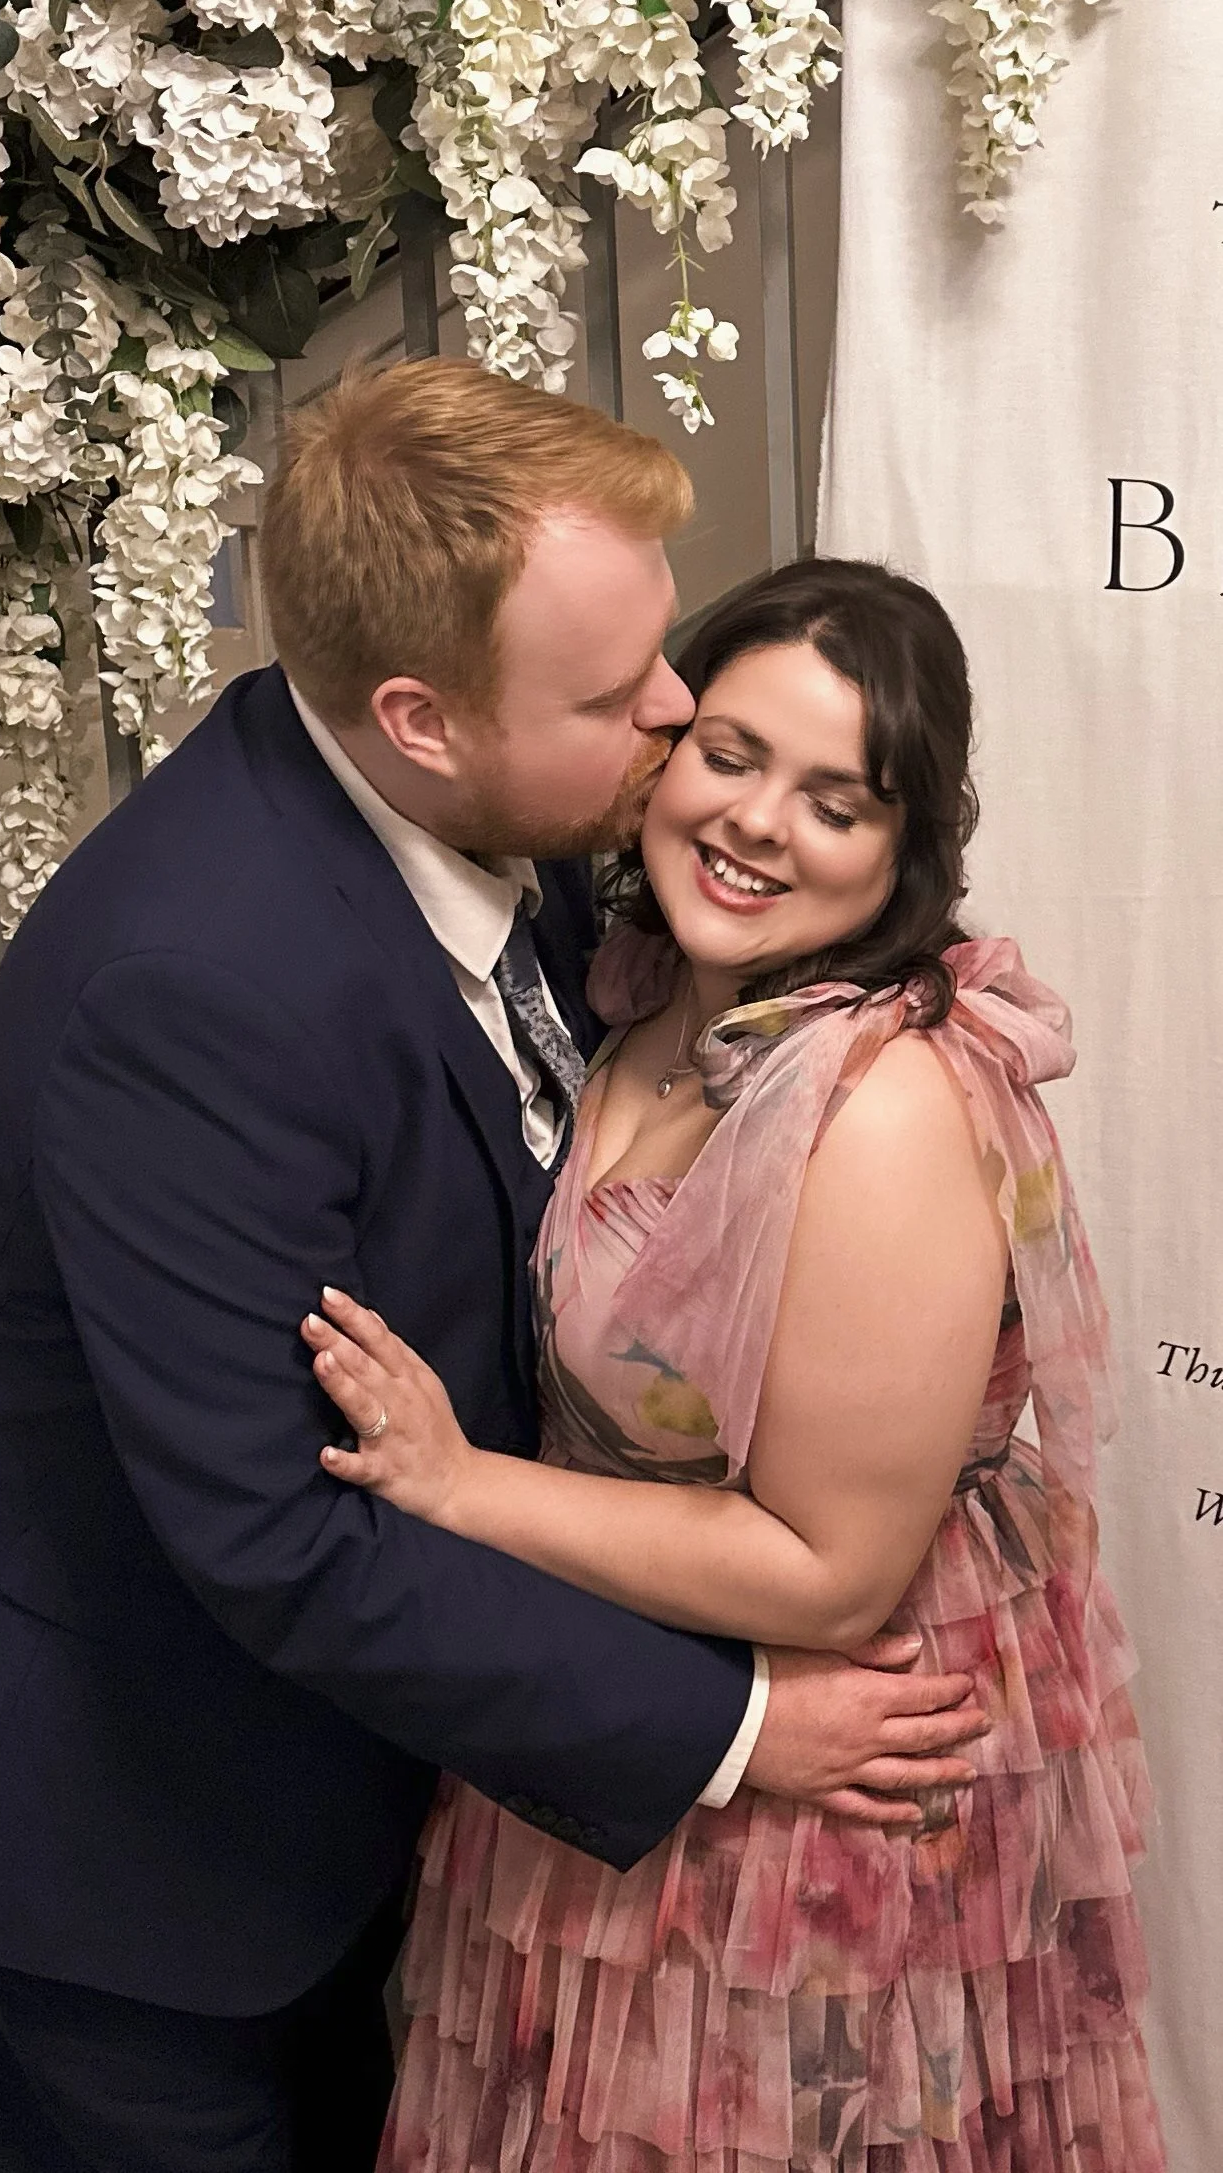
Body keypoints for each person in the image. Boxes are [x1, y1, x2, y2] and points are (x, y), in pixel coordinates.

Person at [0, 368, 986, 2173]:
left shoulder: (490, 827)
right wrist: (742, 1721)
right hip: (115, 1821)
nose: (675, 716)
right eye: (618, 699)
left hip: (358, 1778)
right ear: (419, 718)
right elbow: (277, 1534)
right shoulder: (202, 985)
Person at [305, 557, 1166, 2173]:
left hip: (816, 1763)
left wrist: (453, 1482)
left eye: (838, 800)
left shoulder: (882, 1104)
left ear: (905, 847)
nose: (760, 822)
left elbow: (832, 1573)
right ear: (658, 743)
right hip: (632, 1711)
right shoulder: (634, 1008)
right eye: (733, 754)